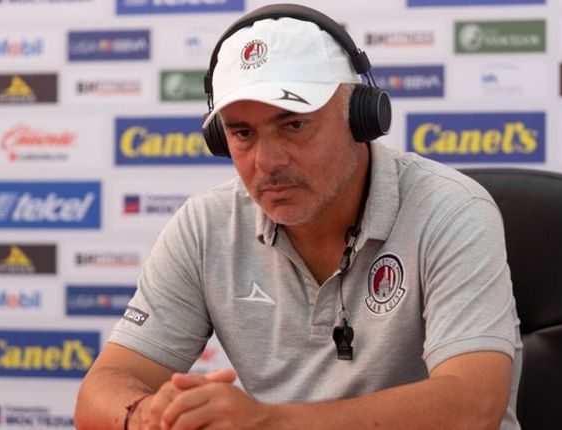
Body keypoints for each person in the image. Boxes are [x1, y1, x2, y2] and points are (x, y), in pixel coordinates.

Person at [75, 4, 523, 430]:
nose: (266, 162)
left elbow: (473, 407)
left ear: (359, 117)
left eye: (293, 125)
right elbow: (102, 388)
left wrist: (266, 423)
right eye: (243, 133)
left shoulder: (451, 209)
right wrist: (147, 417)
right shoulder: (205, 225)